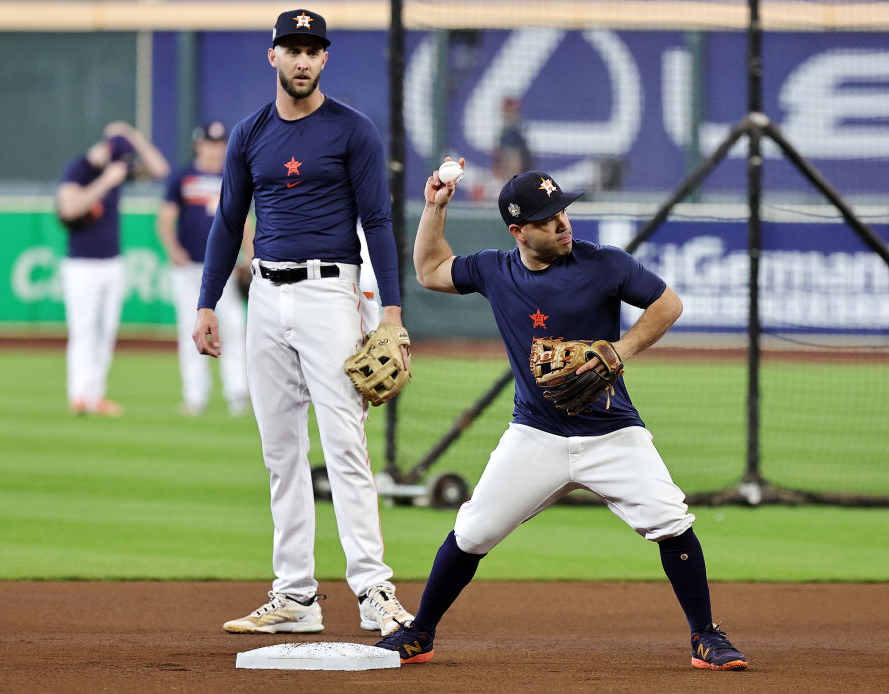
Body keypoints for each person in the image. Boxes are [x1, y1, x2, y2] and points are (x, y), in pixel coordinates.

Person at [374, 163, 749, 671]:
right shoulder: (494, 270)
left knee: (670, 521)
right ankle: (420, 632)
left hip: (611, 432)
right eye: (547, 218)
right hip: (535, 435)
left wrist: (621, 349)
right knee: (473, 531)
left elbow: (668, 304)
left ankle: (706, 636)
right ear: (518, 231)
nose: (562, 223)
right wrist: (435, 207)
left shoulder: (603, 263)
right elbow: (429, 270)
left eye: (563, 210)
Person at [191, 8, 414, 636]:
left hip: (328, 292)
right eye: (292, 49)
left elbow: (378, 223)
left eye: (313, 50)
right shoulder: (249, 133)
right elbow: (228, 222)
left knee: (345, 444)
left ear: (324, 59)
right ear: (273, 56)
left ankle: (373, 589)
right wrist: (207, 303)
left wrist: (391, 312)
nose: (302, 59)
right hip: (264, 295)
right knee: (280, 450)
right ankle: (294, 594)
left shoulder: (353, 130)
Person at [56, 122, 170, 416]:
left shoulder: (120, 167)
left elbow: (160, 170)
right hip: (81, 264)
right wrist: (106, 181)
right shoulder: (80, 169)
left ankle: (95, 395)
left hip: (112, 262)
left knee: (106, 332)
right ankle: (79, 394)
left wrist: (136, 138)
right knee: (83, 329)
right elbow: (68, 209)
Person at [157, 121, 252, 417]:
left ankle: (238, 392)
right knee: (191, 329)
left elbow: (244, 220)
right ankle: (194, 395)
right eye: (210, 143)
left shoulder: (232, 176)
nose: (215, 148)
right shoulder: (183, 177)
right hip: (191, 268)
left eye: (220, 143)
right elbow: (166, 218)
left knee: (234, 328)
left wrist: (250, 256)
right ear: (198, 145)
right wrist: (173, 249)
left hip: (225, 268)